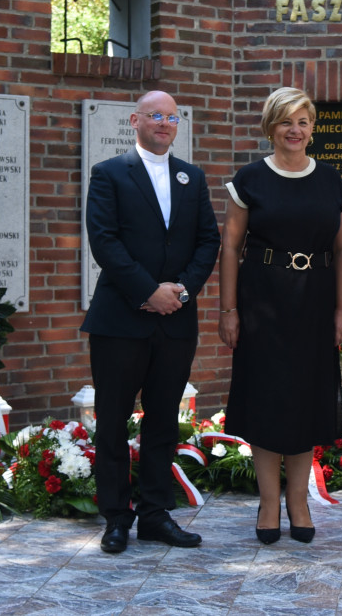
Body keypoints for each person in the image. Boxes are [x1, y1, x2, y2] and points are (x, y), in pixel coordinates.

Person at [81, 90, 221, 554]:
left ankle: (156, 515)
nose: (164, 123)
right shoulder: (109, 174)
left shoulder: (192, 177)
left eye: (172, 117)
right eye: (155, 116)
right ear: (135, 121)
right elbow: (104, 241)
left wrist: (180, 290)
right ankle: (117, 517)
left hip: (176, 319)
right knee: (113, 421)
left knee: (163, 421)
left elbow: (208, 241)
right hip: (121, 320)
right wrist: (147, 291)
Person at [218, 87, 342, 544]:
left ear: (312, 128)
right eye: (285, 122)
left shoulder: (332, 180)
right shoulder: (250, 179)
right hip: (262, 302)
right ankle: (269, 500)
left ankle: (299, 499)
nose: (295, 130)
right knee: (266, 399)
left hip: (314, 302)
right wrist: (229, 310)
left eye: (303, 121)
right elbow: (231, 248)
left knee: (306, 399)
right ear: (270, 127)